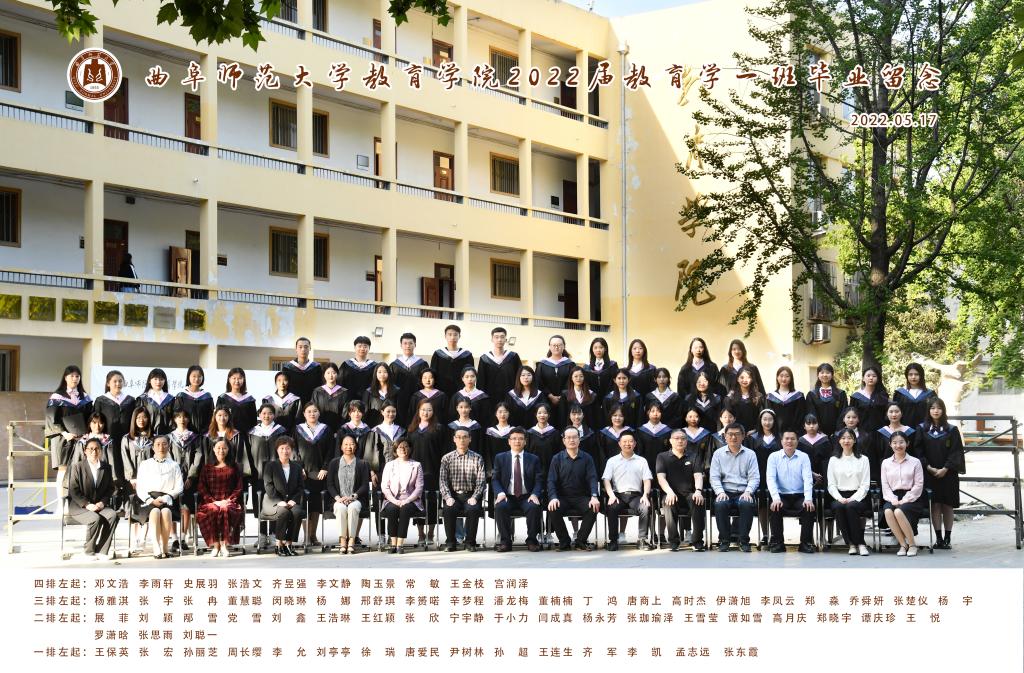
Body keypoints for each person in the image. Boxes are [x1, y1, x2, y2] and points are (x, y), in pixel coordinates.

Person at [919, 397, 965, 550]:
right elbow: (919, 451)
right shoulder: (922, 429)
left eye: (939, 408)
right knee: (935, 505)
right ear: (928, 410)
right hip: (930, 473)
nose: (936, 411)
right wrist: (929, 467)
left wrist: (945, 468)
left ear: (943, 410)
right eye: (932, 408)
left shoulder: (951, 429)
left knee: (948, 505)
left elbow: (956, 452)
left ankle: (947, 538)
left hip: (948, 474)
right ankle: (938, 538)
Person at [546, 426, 601, 551]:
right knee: (553, 509)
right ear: (564, 440)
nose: (572, 440)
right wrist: (553, 497)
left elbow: (592, 478)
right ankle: (564, 542)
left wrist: (594, 496)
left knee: (593, 507)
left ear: (579, 439)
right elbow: (551, 480)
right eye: (568, 437)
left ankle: (580, 541)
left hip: (581, 497)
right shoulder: (557, 458)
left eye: (574, 437)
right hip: (563, 497)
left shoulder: (587, 458)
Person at [709, 422, 759, 552]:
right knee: (720, 504)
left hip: (743, 491)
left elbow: (754, 477)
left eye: (737, 434)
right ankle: (724, 541)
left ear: (743, 436)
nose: (733, 437)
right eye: (730, 434)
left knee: (746, 504)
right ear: (725, 436)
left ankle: (743, 541)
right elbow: (714, 477)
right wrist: (720, 492)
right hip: (725, 491)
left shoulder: (750, 454)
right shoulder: (718, 454)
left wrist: (748, 492)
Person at [492, 427, 544, 551]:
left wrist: (535, 494)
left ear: (525, 442)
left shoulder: (533, 459)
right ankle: (505, 541)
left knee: (533, 507)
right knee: (500, 507)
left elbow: (539, 480)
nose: (517, 441)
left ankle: (532, 540)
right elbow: (495, 479)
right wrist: (500, 493)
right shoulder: (500, 458)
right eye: (514, 439)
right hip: (507, 496)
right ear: (509, 441)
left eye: (520, 439)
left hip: (527, 496)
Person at [66, 437, 118, 561]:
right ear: (85, 451)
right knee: (94, 518)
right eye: (91, 449)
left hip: (98, 505)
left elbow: (110, 489)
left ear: (101, 451)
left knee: (113, 515)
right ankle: (88, 552)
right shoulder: (77, 467)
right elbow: (73, 490)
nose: (94, 452)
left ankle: (102, 550)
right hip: (79, 507)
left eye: (97, 449)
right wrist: (87, 504)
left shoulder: (106, 467)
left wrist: (102, 503)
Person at [765, 430, 816, 553]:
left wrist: (808, 499)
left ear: (797, 441)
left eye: (792, 439)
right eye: (786, 438)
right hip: (781, 495)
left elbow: (808, 478)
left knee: (808, 507)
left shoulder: (803, 457)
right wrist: (776, 498)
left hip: (800, 495)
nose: (789, 441)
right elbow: (770, 479)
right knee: (775, 507)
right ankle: (778, 543)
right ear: (781, 441)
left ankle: (805, 543)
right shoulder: (773, 457)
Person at [134, 436, 183, 559]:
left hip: (168, 499)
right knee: (155, 512)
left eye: (164, 444)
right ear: (153, 447)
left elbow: (179, 486)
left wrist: (167, 497)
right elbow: (140, 487)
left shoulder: (174, 465)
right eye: (158, 444)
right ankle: (156, 546)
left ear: (169, 446)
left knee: (166, 512)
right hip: (149, 500)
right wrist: (150, 500)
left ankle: (165, 547)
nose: (161, 447)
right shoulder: (145, 464)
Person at [657, 429, 706, 552]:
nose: (680, 441)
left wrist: (698, 491)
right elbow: (661, 478)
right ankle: (674, 541)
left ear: (686, 441)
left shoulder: (694, 456)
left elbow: (698, 476)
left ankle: (697, 541)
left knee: (698, 500)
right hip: (670, 493)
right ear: (670, 441)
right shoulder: (662, 457)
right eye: (677, 438)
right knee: (668, 502)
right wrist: (669, 492)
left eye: (683, 438)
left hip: (689, 494)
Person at [602, 429, 652, 550]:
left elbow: (647, 480)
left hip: (636, 496)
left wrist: (645, 495)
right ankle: (613, 540)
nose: (627, 444)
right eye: (624, 441)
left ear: (635, 443)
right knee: (612, 508)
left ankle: (642, 540)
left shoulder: (641, 461)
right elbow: (606, 480)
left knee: (645, 507)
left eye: (630, 441)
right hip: (618, 495)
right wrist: (611, 495)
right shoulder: (612, 461)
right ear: (619, 443)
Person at [294, 402, 335, 546]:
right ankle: (306, 536)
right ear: (304, 414)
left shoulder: (326, 429)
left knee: (316, 506)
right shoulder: (298, 429)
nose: (312, 414)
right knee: (304, 504)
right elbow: (294, 450)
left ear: (319, 413)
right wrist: (299, 467)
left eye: (315, 411)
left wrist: (325, 468)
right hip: (303, 473)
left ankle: (313, 535)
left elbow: (331, 450)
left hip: (319, 473)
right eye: (309, 411)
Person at [438, 427, 486, 552]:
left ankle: (470, 542)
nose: (462, 440)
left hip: (470, 495)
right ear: (454, 439)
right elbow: (442, 481)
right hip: (453, 495)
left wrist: (475, 497)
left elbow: (481, 481)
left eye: (465, 437)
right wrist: (447, 497)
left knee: (473, 509)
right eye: (458, 437)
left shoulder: (477, 458)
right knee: (448, 509)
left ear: (470, 439)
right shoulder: (447, 458)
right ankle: (450, 542)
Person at [249, 403, 289, 549]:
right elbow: (249, 454)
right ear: (259, 415)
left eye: (270, 413)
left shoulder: (281, 431)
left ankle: (273, 534)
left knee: (275, 501)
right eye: (264, 413)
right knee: (259, 503)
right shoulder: (252, 432)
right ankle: (261, 534)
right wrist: (250, 472)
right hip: (258, 474)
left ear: (274, 415)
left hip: (276, 474)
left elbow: (286, 451)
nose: (267, 416)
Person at [827, 427, 871, 556]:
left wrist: (853, 498)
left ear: (855, 440)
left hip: (859, 496)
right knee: (839, 507)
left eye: (849, 438)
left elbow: (865, 485)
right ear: (839, 441)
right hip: (839, 495)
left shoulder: (863, 459)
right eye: (843, 438)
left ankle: (860, 544)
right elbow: (831, 484)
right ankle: (851, 544)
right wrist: (839, 498)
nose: (846, 441)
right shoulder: (833, 460)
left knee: (851, 506)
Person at [407, 399, 446, 544]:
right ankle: (420, 534)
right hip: (416, 472)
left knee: (432, 502)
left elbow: (443, 450)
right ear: (418, 411)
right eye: (423, 409)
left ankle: (430, 534)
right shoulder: (412, 429)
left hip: (433, 470)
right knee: (418, 501)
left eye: (429, 410)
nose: (426, 412)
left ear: (433, 412)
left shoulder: (439, 428)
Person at [880, 431, 925, 556]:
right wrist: (893, 499)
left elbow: (918, 485)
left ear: (907, 443)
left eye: (901, 442)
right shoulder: (885, 463)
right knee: (888, 511)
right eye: (894, 443)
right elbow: (885, 485)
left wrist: (904, 500)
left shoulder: (915, 462)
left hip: (912, 497)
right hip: (892, 496)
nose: (898, 445)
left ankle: (912, 544)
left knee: (899, 511)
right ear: (890, 444)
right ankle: (903, 545)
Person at [196, 439, 243, 558]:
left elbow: (239, 487)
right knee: (213, 509)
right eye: (218, 448)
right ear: (213, 449)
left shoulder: (234, 467)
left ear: (228, 449)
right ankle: (216, 545)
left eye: (224, 448)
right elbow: (201, 487)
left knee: (225, 509)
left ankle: (224, 545)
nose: (221, 450)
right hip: (210, 502)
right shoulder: (207, 467)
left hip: (230, 502)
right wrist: (213, 501)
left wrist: (228, 500)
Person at [46, 365, 92, 482]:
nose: (75, 378)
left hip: (81, 439)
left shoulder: (85, 398)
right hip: (63, 439)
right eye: (72, 376)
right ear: (65, 378)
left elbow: (90, 418)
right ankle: (61, 495)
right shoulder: (57, 397)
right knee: (63, 469)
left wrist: (85, 434)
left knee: (80, 469)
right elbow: (51, 419)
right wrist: (64, 433)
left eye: (77, 376)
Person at [326, 435, 371, 554]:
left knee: (353, 507)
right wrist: (338, 498)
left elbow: (365, 485)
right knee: (340, 508)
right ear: (341, 447)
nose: (348, 447)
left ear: (355, 446)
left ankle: (351, 540)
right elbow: (330, 484)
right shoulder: (334, 463)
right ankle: (342, 540)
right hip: (338, 499)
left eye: (351, 444)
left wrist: (353, 496)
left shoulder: (363, 463)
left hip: (356, 499)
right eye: (345, 444)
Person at [261, 436, 305, 556]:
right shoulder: (270, 466)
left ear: (292, 450)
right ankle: (279, 544)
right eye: (282, 448)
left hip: (291, 502)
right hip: (273, 502)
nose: (285, 451)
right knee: (284, 512)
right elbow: (268, 486)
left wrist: (294, 500)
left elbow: (300, 487)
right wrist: (279, 501)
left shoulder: (297, 467)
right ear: (277, 450)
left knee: (297, 512)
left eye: (288, 448)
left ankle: (289, 544)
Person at [380, 437, 424, 553]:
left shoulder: (416, 465)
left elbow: (419, 488)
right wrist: (394, 501)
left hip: (411, 500)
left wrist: (407, 500)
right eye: (400, 447)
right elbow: (385, 486)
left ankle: (400, 544)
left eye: (406, 446)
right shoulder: (389, 465)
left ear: (410, 449)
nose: (403, 449)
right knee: (392, 509)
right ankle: (393, 543)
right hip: (392, 499)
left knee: (405, 509)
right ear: (395, 450)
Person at [168, 409, 202, 552]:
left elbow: (198, 457)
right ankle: (174, 539)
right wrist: (174, 476)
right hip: (172, 479)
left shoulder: (194, 437)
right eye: (179, 417)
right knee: (171, 508)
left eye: (184, 417)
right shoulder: (169, 437)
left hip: (189, 480)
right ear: (174, 419)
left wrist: (191, 476)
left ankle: (182, 538)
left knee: (186, 508)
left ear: (188, 419)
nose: (182, 419)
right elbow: (168, 457)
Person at [745, 408, 779, 546]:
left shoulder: (780, 437)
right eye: (764, 419)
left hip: (777, 477)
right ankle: (765, 534)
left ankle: (775, 534)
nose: (767, 422)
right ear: (760, 421)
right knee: (762, 505)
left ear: (774, 421)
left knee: (775, 504)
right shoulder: (752, 438)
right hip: (758, 475)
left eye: (770, 419)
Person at [93, 370, 134, 482]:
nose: (118, 384)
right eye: (114, 381)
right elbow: (96, 421)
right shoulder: (101, 400)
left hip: (126, 439)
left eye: (120, 381)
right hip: (108, 441)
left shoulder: (130, 400)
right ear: (108, 383)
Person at [390, 332, 429, 423]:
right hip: (399, 401)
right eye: (405, 343)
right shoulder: (394, 365)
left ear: (415, 345)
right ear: (401, 345)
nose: (408, 346)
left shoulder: (422, 364)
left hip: (418, 400)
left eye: (410, 343)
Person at [477, 326, 522, 402]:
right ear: (492, 340)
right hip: (490, 399)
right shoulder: (485, 359)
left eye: (502, 337)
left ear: (506, 340)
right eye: (496, 337)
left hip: (511, 398)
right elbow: (481, 382)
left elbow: (519, 377)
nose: (499, 340)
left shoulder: (513, 357)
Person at [430, 324, 474, 398]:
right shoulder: (438, 354)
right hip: (441, 392)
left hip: (462, 392)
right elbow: (433, 374)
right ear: (445, 336)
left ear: (459, 336)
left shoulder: (467, 355)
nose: (452, 337)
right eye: (450, 334)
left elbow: (471, 375)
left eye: (455, 335)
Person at [805, 363, 848, 434]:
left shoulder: (840, 394)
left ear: (832, 375)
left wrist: (838, 431)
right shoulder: (812, 395)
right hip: (817, 433)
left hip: (837, 433)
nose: (825, 375)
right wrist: (818, 430)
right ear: (818, 375)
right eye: (822, 372)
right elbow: (811, 413)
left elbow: (843, 413)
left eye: (828, 372)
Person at [535, 335, 575, 412]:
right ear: (549, 347)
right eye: (554, 345)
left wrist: (562, 395)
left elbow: (572, 382)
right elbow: (538, 382)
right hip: (546, 401)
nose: (556, 347)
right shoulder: (542, 364)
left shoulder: (570, 364)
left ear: (564, 346)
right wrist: (550, 396)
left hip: (566, 400)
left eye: (559, 345)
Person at [174, 365, 214, 439]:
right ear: (188, 377)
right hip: (186, 435)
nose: (197, 379)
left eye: (199, 376)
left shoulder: (207, 396)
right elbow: (177, 416)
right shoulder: (181, 396)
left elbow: (211, 416)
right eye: (194, 376)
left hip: (204, 435)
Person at [893, 362, 937, 431]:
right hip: (905, 431)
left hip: (925, 431)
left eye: (916, 374)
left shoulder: (930, 394)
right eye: (910, 374)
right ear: (906, 376)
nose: (913, 377)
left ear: (921, 375)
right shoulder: (900, 393)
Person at [364, 402, 406, 474]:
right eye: (388, 411)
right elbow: (370, 454)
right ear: (382, 412)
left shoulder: (401, 431)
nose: (391, 414)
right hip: (381, 469)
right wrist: (372, 472)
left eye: (393, 411)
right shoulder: (375, 431)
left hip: (400, 468)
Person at [216, 367, 258, 437]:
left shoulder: (249, 399)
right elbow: (217, 419)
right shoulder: (222, 398)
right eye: (234, 378)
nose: (237, 381)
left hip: (246, 436)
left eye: (240, 378)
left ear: (244, 380)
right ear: (229, 380)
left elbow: (253, 421)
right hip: (228, 436)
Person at [766, 366, 806, 436]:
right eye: (781, 376)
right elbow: (769, 415)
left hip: (795, 434)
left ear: (791, 378)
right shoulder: (770, 397)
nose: (784, 379)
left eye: (787, 376)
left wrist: (793, 431)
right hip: (776, 434)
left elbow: (801, 416)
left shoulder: (799, 396)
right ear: (777, 377)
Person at [798, 413, 833, 494]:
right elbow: (799, 461)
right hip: (805, 474)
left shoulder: (825, 440)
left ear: (818, 425)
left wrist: (822, 475)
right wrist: (811, 473)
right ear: (804, 426)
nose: (811, 426)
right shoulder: (800, 441)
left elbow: (828, 460)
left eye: (814, 423)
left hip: (823, 474)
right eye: (808, 423)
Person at [724, 366, 764, 438]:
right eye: (742, 377)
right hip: (735, 434)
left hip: (753, 434)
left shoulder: (758, 397)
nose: (745, 380)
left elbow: (761, 416)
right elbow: (728, 418)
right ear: (737, 379)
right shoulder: (730, 397)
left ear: (752, 379)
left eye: (748, 377)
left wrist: (756, 430)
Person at [282, 337, 323, 405]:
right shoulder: (288, 368)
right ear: (296, 349)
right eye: (300, 347)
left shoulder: (317, 367)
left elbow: (320, 387)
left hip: (312, 405)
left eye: (306, 347)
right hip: (292, 404)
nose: (303, 349)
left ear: (310, 348)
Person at [850, 365, 889, 433]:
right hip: (861, 432)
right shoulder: (856, 397)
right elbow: (852, 415)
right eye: (868, 376)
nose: (871, 378)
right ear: (863, 378)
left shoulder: (883, 396)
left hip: (880, 432)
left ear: (878, 379)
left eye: (874, 376)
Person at [311, 363, 348, 434]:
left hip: (338, 430)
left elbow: (345, 413)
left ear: (337, 374)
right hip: (319, 430)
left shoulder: (344, 392)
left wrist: (340, 430)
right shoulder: (317, 391)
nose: (331, 376)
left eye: (333, 373)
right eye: (328, 373)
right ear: (324, 375)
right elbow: (314, 410)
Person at [559, 366, 600, 430]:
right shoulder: (565, 395)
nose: (578, 378)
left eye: (581, 376)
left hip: (589, 431)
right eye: (576, 376)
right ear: (571, 378)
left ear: (584, 378)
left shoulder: (592, 395)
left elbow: (596, 417)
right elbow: (562, 416)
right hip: (570, 431)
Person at [526, 403, 560, 478]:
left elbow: (558, 452)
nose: (542, 415)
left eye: (545, 413)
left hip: (551, 468)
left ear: (549, 415)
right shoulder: (529, 433)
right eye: (539, 413)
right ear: (536, 415)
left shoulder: (555, 433)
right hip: (533, 469)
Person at [205, 405, 244, 472]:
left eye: (225, 415)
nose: (222, 418)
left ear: (229, 417)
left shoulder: (235, 435)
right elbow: (206, 455)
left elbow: (239, 455)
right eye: (219, 415)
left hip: (230, 470)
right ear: (215, 417)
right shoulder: (208, 435)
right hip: (212, 470)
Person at [137, 368, 174, 435]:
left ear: (164, 381)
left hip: (166, 437)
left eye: (161, 379)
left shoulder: (170, 399)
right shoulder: (143, 399)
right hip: (147, 436)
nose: (158, 382)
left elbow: (174, 420)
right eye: (155, 379)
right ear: (149, 380)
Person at [363, 362, 401, 427]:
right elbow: (365, 412)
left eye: (385, 372)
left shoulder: (396, 391)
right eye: (379, 372)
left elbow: (400, 412)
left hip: (392, 427)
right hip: (373, 427)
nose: (382, 374)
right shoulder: (369, 392)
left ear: (389, 373)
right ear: (375, 374)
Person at [582, 337, 618, 402]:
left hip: (609, 399)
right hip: (592, 400)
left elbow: (615, 384)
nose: (598, 350)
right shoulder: (587, 367)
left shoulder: (612, 365)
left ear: (605, 349)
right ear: (592, 350)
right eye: (595, 348)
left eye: (601, 347)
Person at [483, 402, 514, 476]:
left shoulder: (514, 431)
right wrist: (489, 469)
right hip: (494, 467)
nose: (502, 414)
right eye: (500, 412)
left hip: (511, 466)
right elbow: (487, 451)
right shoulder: (490, 431)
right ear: (496, 414)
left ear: (509, 413)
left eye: (505, 412)